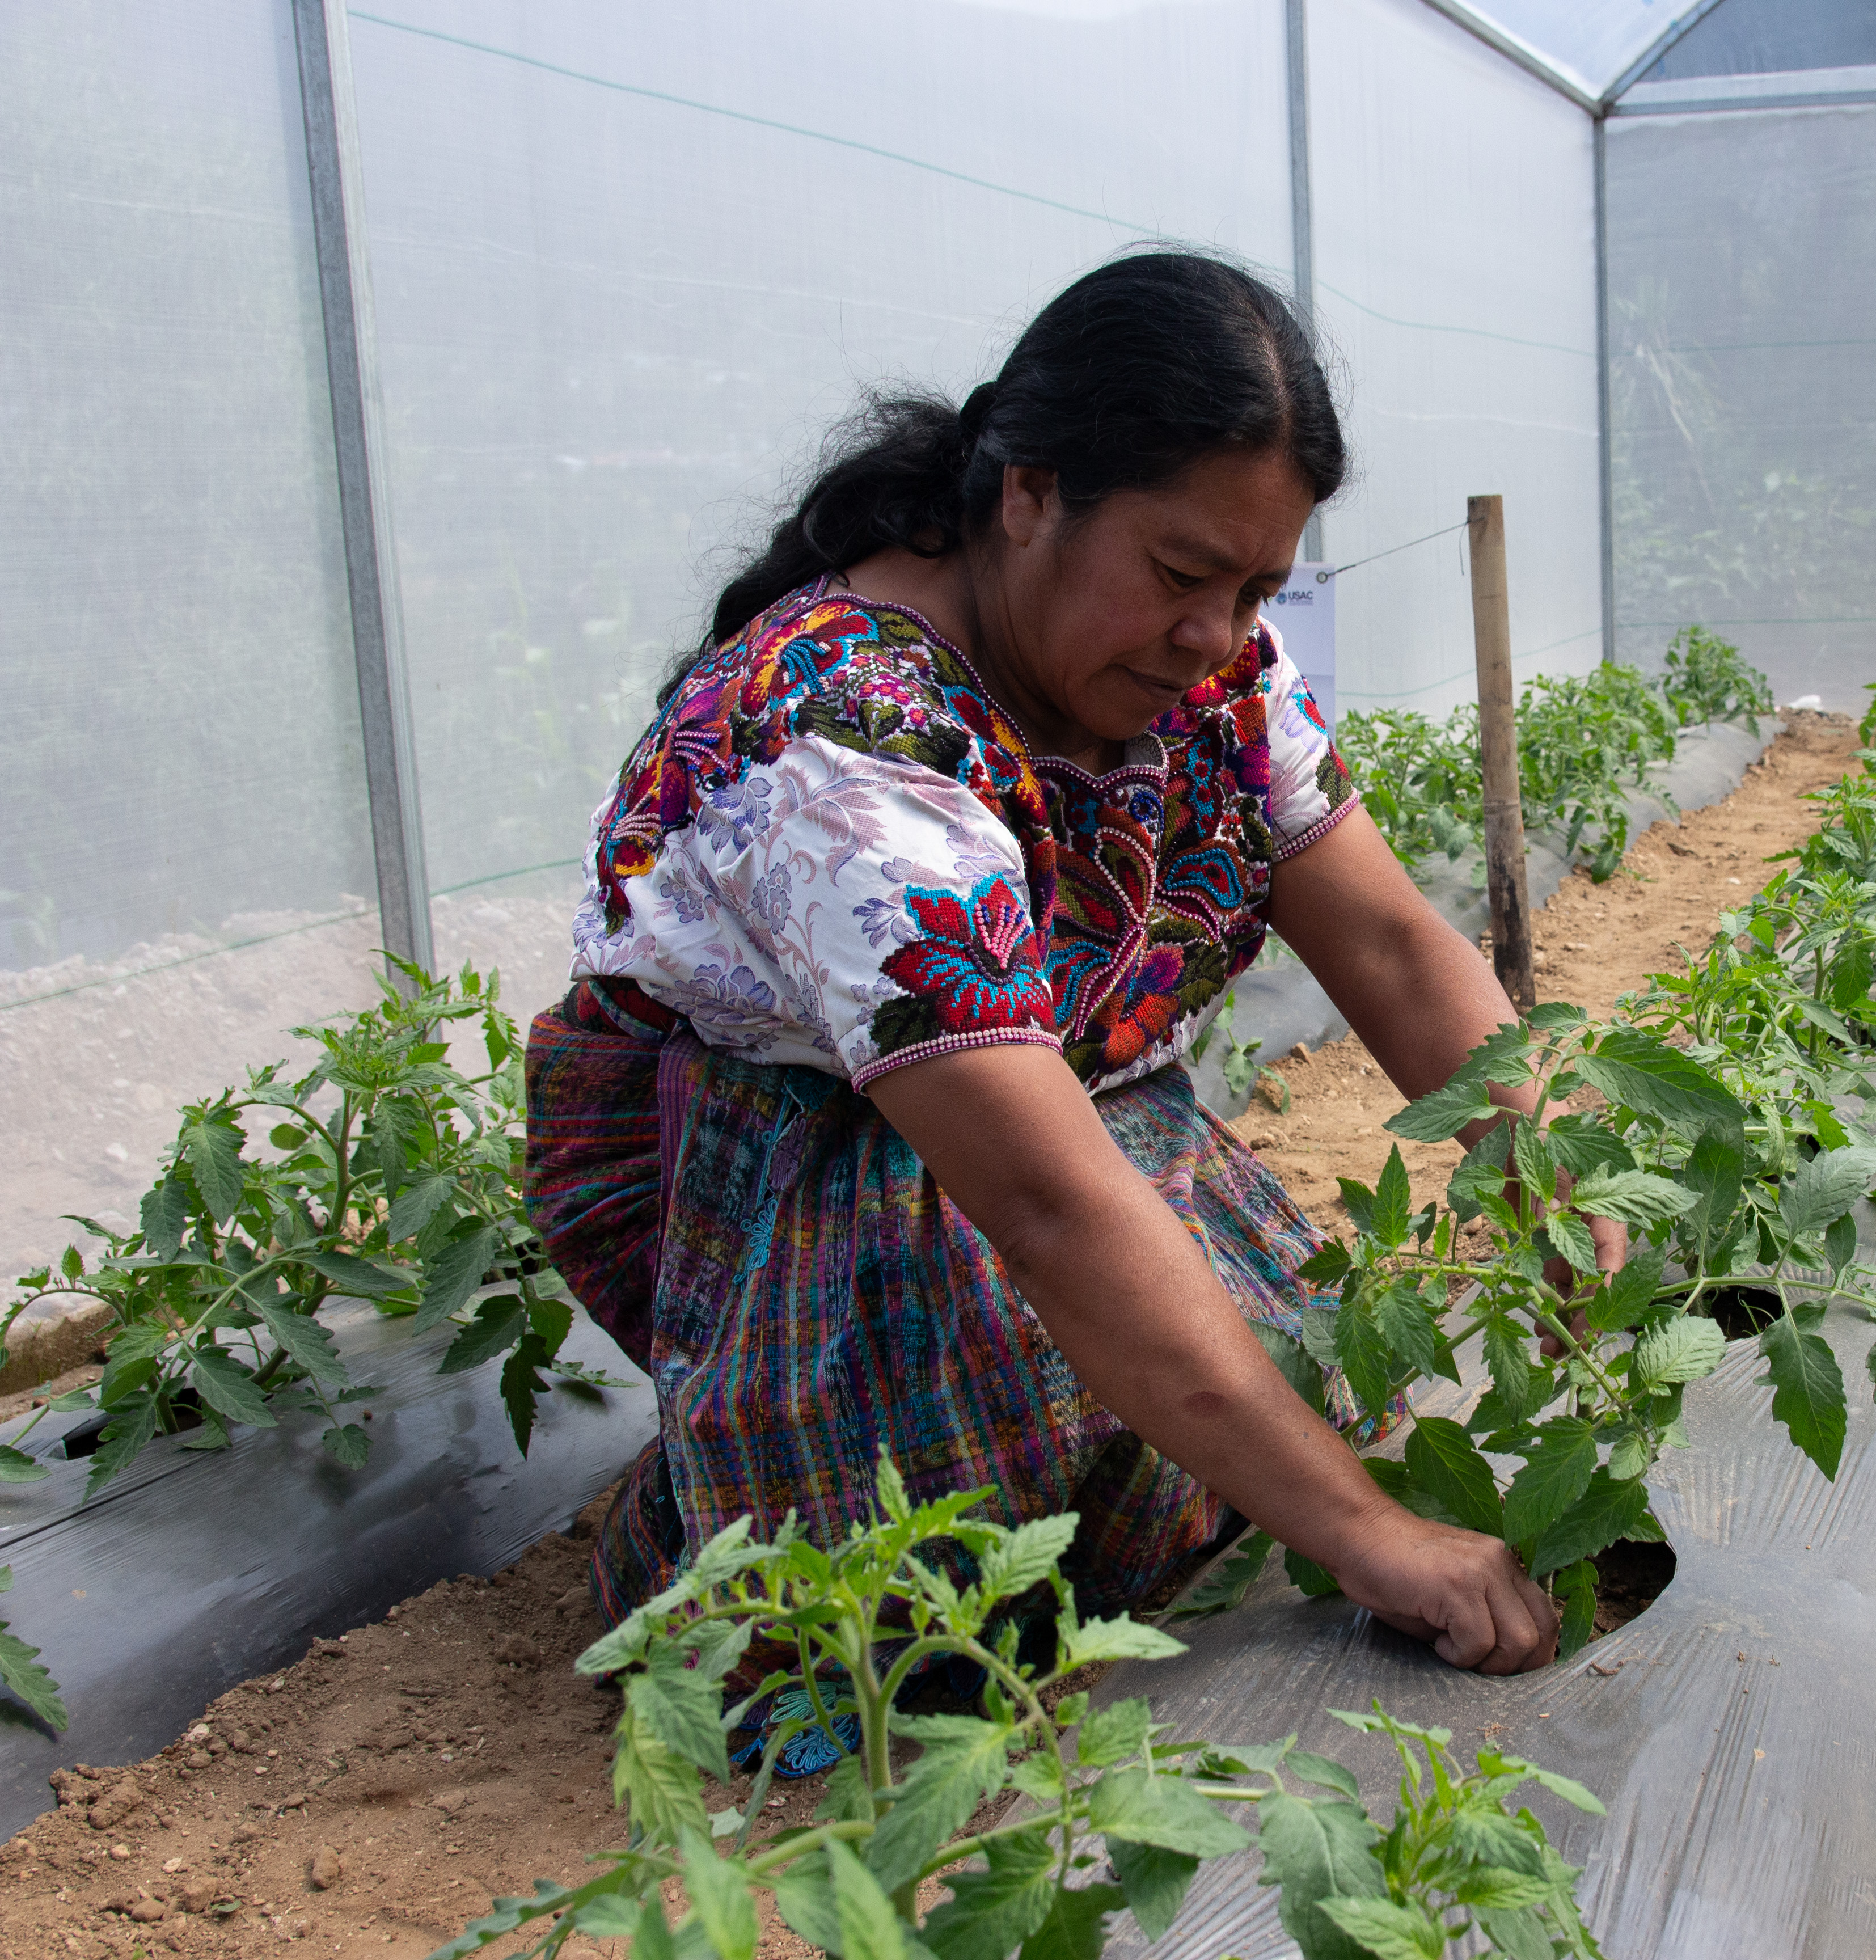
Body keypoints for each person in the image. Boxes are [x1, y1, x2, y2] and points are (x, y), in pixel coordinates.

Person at [524, 251, 1573, 1701]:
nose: (1217, 635)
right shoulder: (845, 750)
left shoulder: (1211, 672)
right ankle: (739, 1494)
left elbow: (1394, 944)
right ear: (1026, 493)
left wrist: (1563, 1204)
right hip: (831, 1184)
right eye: (1183, 573)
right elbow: (1048, 1204)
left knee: (1233, 1406)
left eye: (1258, 585)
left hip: (1059, 1134)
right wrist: (1373, 1537)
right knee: (926, 1586)